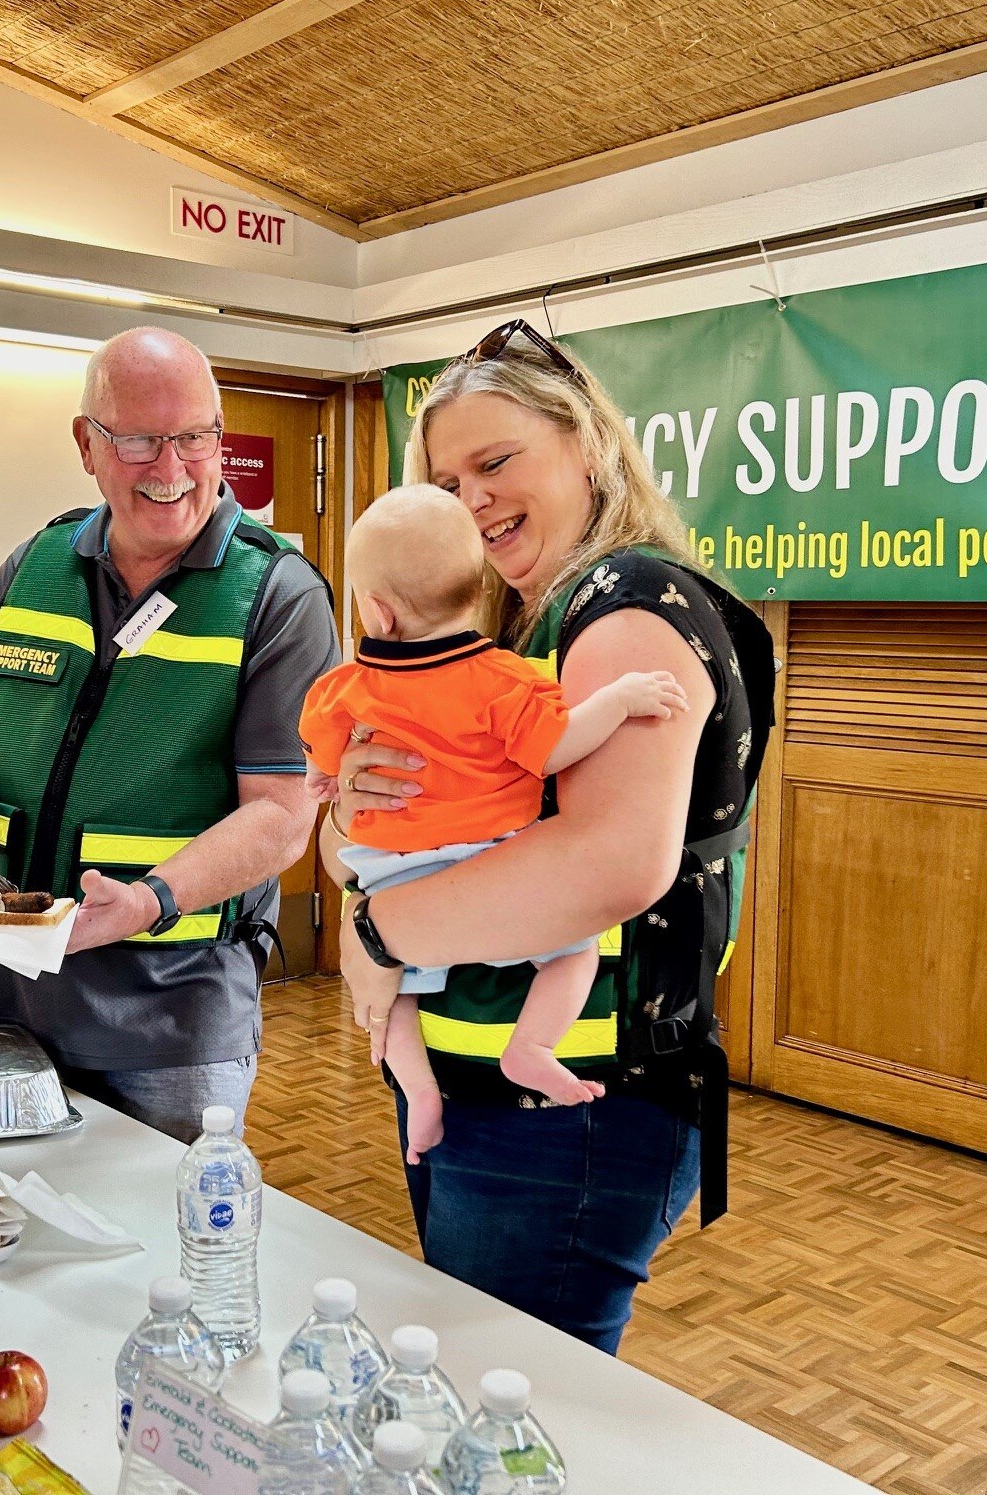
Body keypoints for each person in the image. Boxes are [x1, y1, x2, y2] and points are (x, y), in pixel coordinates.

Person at [324, 320, 775, 1353]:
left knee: (512, 1398)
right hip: (496, 1094)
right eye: (448, 480)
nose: (472, 497)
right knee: (502, 1389)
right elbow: (388, 827)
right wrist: (352, 799)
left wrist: (383, 931)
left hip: (568, 1113)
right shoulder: (516, 628)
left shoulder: (624, 611)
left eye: (496, 461)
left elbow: (610, 862)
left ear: (588, 449)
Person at [0, 327, 338, 1141]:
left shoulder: (278, 594)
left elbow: (282, 814)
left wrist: (147, 901)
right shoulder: (36, 563)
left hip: (174, 1022)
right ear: (86, 444)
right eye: (138, 440)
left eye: (196, 438)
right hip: (13, 997)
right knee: (21, 1229)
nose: (171, 470)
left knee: (166, 1253)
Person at [299, 484, 689, 1165]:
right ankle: (532, 1047)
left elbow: (321, 749)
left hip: (394, 867)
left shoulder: (344, 686)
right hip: (492, 863)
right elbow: (556, 746)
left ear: (377, 611)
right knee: (574, 951)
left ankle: (416, 1090)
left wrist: (324, 778)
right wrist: (621, 700)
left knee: (391, 996)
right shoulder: (503, 679)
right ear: (479, 589)